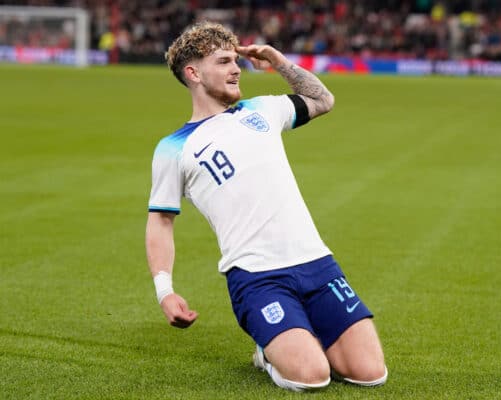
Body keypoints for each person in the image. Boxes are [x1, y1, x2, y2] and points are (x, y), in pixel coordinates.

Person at [145, 21, 387, 392]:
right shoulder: (174, 148)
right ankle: (267, 352)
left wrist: (280, 63)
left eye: (235, 60)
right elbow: (160, 221)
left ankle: (300, 338)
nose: (235, 68)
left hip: (316, 264)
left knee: (369, 374)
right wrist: (165, 290)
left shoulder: (262, 110)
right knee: (311, 378)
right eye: (223, 61)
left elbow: (323, 100)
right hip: (258, 278)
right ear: (193, 73)